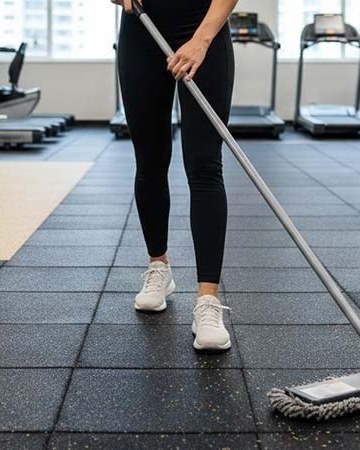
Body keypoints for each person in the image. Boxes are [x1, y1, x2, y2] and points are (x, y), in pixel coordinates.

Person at [112, 0, 238, 352]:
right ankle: (159, 268)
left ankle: (208, 303)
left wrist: (201, 39)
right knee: (149, 160)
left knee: (204, 165)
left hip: (204, 30)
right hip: (142, 28)